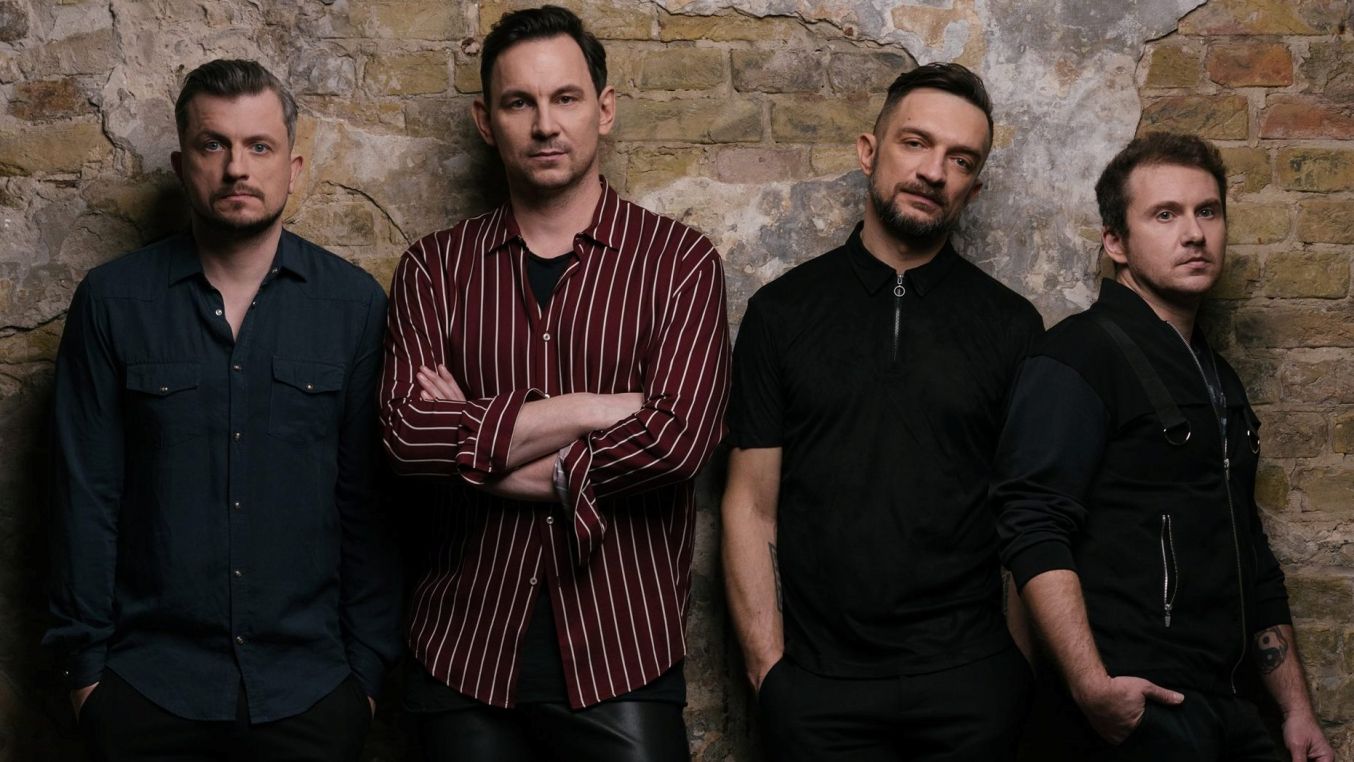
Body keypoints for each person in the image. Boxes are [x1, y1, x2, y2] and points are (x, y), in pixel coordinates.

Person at [378, 6, 730, 760]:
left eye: (565, 98)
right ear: (486, 121)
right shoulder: (434, 269)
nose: (545, 124)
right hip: (463, 650)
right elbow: (406, 439)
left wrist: (476, 444)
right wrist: (595, 409)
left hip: (621, 649)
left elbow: (677, 442)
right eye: (519, 103)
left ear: (604, 110)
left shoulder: (680, 263)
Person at [45, 59, 401, 760]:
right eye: (214, 145)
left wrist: (364, 676)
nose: (237, 167)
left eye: (259, 146)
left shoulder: (353, 305)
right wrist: (86, 678)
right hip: (146, 690)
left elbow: (371, 507)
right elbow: (83, 497)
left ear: (293, 168)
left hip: (311, 692)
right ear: (183, 165)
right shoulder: (113, 301)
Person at [722, 62, 1043, 761]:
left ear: (974, 187)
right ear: (869, 151)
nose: (934, 171)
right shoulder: (781, 314)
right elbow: (749, 505)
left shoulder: (1012, 326)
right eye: (915, 143)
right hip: (818, 690)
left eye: (961, 160)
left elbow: (1028, 512)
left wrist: (1015, 670)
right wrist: (769, 672)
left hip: (972, 685)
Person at [993, 132, 1333, 761]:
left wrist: (1295, 709)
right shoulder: (1077, 355)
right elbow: (1033, 525)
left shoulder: (1218, 378)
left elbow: (1250, 552)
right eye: (1165, 214)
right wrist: (1092, 687)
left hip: (1230, 708)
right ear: (1115, 242)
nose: (1195, 233)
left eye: (1208, 211)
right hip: (1137, 707)